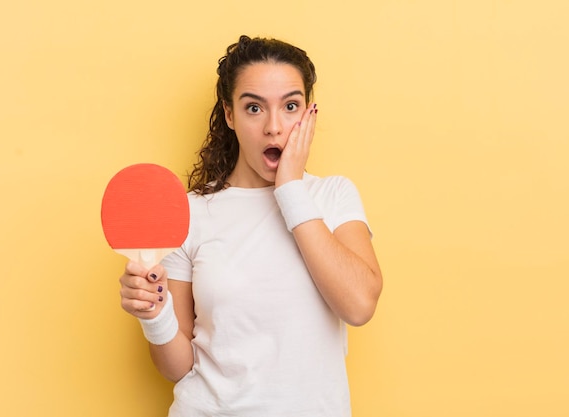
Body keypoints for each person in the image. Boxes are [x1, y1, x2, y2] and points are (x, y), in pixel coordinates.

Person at [119, 35, 383, 416]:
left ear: (309, 113)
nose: (274, 127)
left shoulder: (332, 196)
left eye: (290, 106)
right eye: (254, 108)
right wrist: (154, 314)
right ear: (229, 114)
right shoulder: (191, 213)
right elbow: (177, 368)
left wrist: (290, 188)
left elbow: (359, 305)